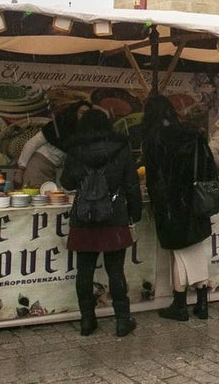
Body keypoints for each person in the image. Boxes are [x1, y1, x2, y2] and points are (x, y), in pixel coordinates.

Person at [60, 107, 143, 337]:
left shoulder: (75, 150)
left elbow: (66, 182)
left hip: (84, 217)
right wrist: (135, 213)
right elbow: (132, 184)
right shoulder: (121, 148)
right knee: (115, 270)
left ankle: (87, 320)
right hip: (114, 215)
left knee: (84, 271)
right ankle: (122, 320)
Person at [141, 94, 219, 320]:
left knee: (182, 251)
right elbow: (209, 167)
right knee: (189, 251)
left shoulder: (154, 138)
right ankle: (198, 302)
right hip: (196, 199)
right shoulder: (193, 134)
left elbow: (154, 177)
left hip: (171, 204)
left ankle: (181, 303)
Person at [17, 101, 87, 188]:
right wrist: (20, 170)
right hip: (37, 166)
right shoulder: (58, 126)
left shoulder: (79, 132)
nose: (85, 116)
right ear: (74, 113)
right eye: (82, 112)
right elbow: (31, 144)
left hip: (51, 169)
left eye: (89, 114)